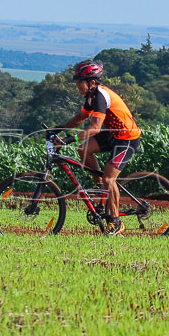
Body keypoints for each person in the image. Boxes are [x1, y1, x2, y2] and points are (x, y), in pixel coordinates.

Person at [58, 60, 141, 235]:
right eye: (77, 82)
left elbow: (95, 128)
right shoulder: (91, 96)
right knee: (84, 150)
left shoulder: (101, 96)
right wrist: (59, 128)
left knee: (109, 177)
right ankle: (101, 189)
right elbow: (82, 117)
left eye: (81, 81)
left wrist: (68, 139)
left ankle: (116, 222)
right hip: (113, 134)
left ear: (92, 82)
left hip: (127, 139)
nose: (78, 85)